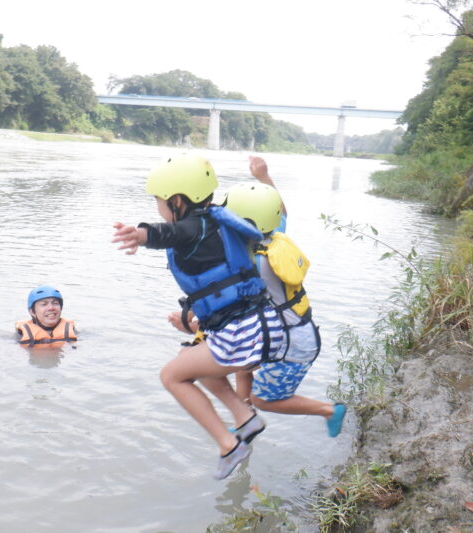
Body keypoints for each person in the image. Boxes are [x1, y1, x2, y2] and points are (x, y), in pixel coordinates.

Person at [112, 153, 285, 480]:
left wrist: (140, 235)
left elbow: (169, 234)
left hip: (242, 334)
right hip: (262, 327)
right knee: (188, 357)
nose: (158, 208)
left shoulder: (193, 227)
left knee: (171, 376)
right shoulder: (221, 222)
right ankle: (246, 418)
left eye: (159, 201)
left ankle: (229, 445)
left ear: (177, 201)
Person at [222, 156, 346, 438]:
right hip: (286, 331)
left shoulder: (254, 260)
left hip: (293, 343)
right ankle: (245, 425)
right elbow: (282, 213)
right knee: (243, 367)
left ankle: (330, 410)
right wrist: (264, 179)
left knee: (264, 399)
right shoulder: (271, 238)